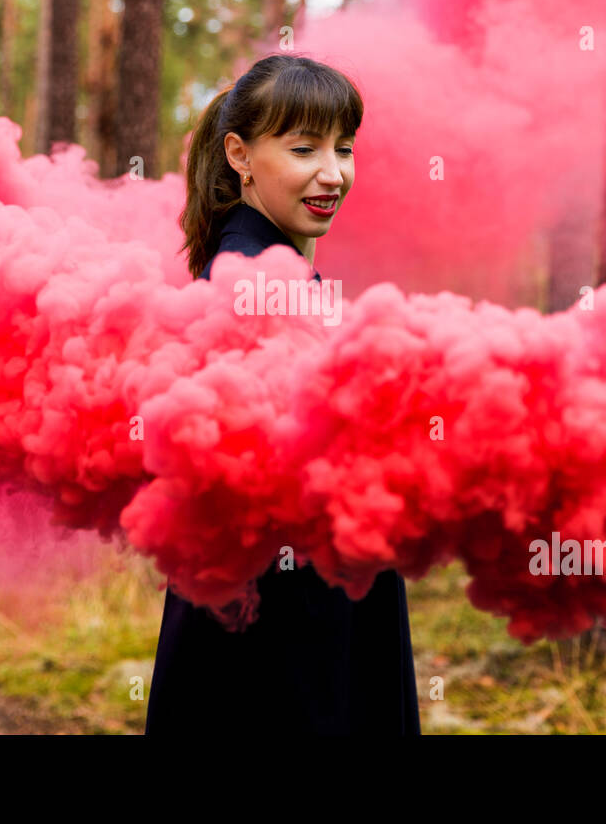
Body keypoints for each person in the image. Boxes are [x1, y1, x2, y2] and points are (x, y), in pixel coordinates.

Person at [145, 54, 421, 735]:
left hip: (290, 603)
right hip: (287, 620)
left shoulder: (268, 262)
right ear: (239, 154)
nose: (333, 173)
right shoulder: (247, 278)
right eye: (304, 149)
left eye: (344, 148)